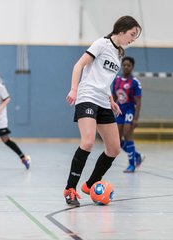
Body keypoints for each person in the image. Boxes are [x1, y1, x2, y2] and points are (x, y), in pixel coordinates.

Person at [64, 16, 142, 207]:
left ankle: (90, 185)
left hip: (103, 100)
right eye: (132, 34)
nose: (133, 39)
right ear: (122, 30)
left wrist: (111, 99)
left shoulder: (119, 54)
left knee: (114, 148)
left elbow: (104, 79)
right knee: (88, 141)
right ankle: (70, 189)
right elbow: (79, 65)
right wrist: (74, 89)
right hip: (87, 96)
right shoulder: (101, 44)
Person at [112, 56, 145, 173]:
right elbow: (113, 97)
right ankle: (137, 156)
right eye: (124, 65)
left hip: (129, 111)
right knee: (116, 140)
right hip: (119, 111)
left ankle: (132, 165)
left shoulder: (135, 82)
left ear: (132, 67)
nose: (126, 67)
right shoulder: (116, 80)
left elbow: (139, 102)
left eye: (128, 65)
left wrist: (136, 119)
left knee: (127, 134)